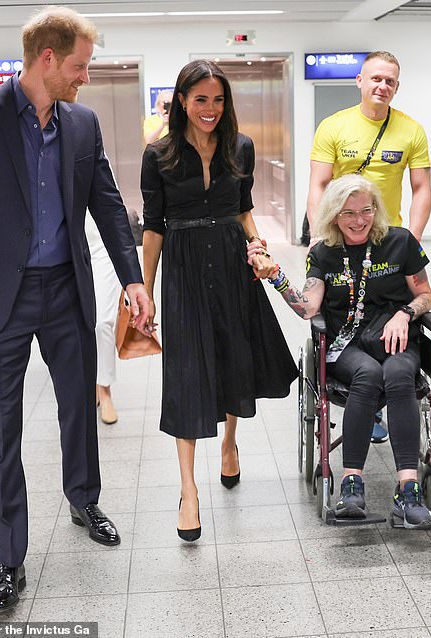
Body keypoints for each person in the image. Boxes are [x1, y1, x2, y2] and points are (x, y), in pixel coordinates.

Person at [0, 6, 149, 613]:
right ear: (46, 59)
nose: (84, 78)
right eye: (78, 66)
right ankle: (9, 558)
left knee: (78, 403)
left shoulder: (81, 123)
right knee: (3, 430)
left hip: (66, 290)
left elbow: (106, 203)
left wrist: (133, 279)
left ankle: (83, 499)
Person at [141, 60, 297, 542]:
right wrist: (143, 293)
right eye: (201, 99)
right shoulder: (160, 154)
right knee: (186, 371)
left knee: (234, 357)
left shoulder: (240, 148)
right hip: (184, 266)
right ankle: (189, 490)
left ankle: (229, 443)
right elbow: (152, 226)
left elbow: (243, 209)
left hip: (232, 261)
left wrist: (260, 250)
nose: (210, 109)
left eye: (218, 100)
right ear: (182, 101)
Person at [250, 174, 431, 529]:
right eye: (348, 212)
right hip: (346, 345)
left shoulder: (401, 242)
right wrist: (275, 276)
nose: (359, 219)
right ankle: (352, 485)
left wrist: (405, 313)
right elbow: (308, 307)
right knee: (368, 374)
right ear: (334, 215)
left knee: (398, 373)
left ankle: (408, 489)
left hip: (395, 338)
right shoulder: (323, 253)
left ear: (376, 209)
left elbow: (426, 295)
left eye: (366, 210)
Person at [306, 50, 431, 444]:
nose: (382, 86)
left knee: (387, 312)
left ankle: (386, 397)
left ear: (397, 87)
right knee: (346, 313)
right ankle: (367, 394)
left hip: (386, 241)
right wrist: (319, 239)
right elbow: (319, 185)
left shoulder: (411, 130)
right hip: (344, 236)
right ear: (360, 81)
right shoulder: (334, 126)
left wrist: (408, 241)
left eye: (390, 81)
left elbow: (421, 188)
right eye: (375, 78)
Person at [85, 215, 121, 424]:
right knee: (79, 322)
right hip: (64, 241)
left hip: (101, 242)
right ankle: (88, 383)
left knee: (101, 322)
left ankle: (104, 389)